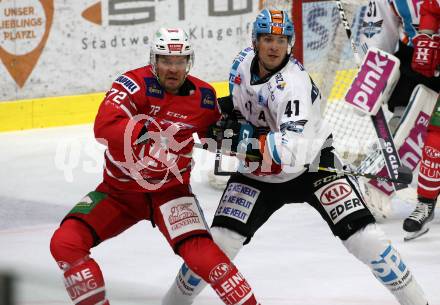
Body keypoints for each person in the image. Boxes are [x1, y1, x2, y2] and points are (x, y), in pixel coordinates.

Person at [162, 9, 430, 305]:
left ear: (289, 43)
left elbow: (290, 150)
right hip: (257, 173)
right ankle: (173, 302)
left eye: (281, 39)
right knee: (219, 243)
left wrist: (237, 140)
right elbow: (238, 108)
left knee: (366, 239)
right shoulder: (241, 63)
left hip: (314, 166)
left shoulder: (294, 84)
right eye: (267, 39)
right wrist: (217, 125)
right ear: (255, 41)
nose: (274, 46)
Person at [49, 28, 262, 305]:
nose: (173, 68)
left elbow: (213, 138)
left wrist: (243, 144)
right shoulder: (132, 84)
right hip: (118, 194)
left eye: (180, 61)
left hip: (170, 195)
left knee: (205, 258)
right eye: (165, 61)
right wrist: (141, 134)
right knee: (65, 243)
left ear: (189, 62)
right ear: (154, 61)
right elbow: (103, 126)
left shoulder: (204, 97)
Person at [359, 0, 439, 240]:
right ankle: (382, 184)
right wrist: (370, 66)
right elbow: (378, 34)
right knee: (405, 129)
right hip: (418, 61)